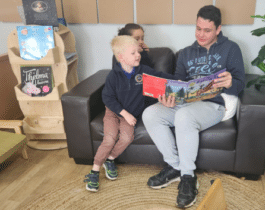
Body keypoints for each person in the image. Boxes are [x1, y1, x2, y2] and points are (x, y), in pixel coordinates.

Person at [142, 5, 245, 208]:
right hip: (186, 102)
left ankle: (188, 177)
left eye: (207, 30)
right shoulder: (186, 53)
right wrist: (169, 96)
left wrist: (231, 82)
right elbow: (179, 83)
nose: (201, 34)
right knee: (150, 113)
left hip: (213, 104)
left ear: (218, 29)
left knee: (185, 117)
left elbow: (241, 84)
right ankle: (174, 167)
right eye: (198, 28)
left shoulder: (231, 49)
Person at [84, 35, 175, 192]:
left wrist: (180, 81)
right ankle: (94, 171)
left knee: (127, 137)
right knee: (110, 138)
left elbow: (161, 77)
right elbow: (107, 97)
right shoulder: (113, 76)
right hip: (114, 112)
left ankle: (110, 159)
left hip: (130, 113)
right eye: (133, 53)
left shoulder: (143, 72)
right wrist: (124, 113)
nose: (138, 55)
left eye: (138, 52)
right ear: (121, 57)